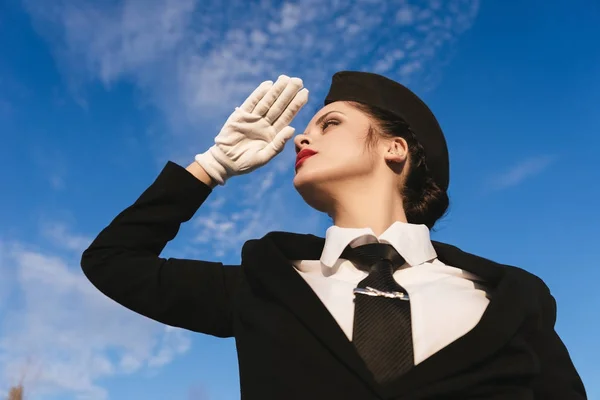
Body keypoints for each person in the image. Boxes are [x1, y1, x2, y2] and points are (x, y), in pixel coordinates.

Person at [81, 72, 586, 399]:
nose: (302, 136)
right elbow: (112, 261)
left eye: (330, 123)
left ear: (395, 149)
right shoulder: (266, 286)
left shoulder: (510, 302)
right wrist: (212, 166)